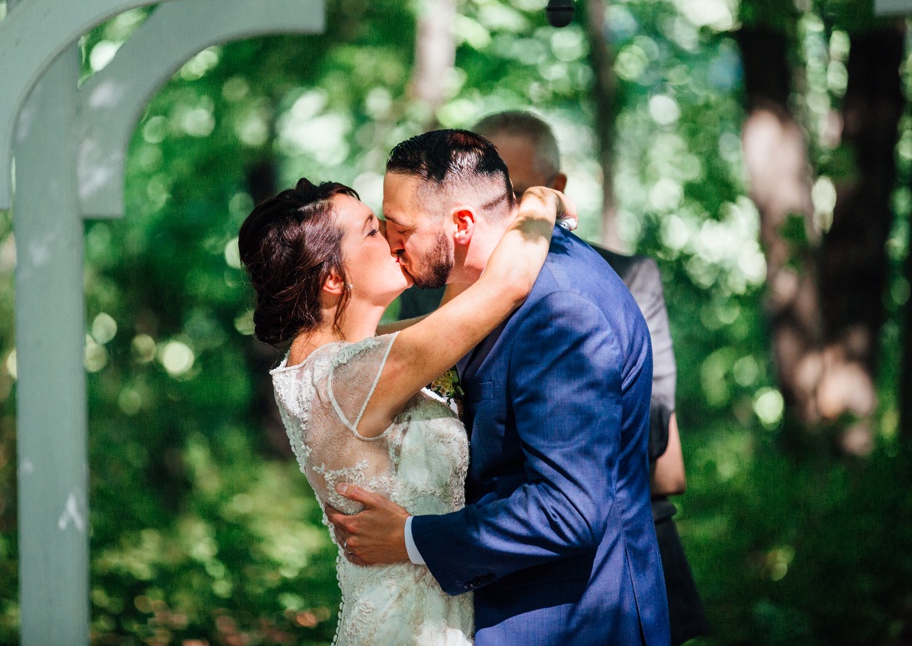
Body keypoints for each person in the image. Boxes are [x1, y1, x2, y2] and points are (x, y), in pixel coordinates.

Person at [328, 130, 669, 645]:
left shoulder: (559, 311)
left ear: (462, 224)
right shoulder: (492, 281)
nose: (393, 243)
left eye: (401, 228)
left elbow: (569, 511)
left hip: (569, 619)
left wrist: (410, 538)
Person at [238, 177, 573, 644]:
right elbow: (507, 286)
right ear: (333, 278)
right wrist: (541, 198)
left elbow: (455, 320)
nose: (395, 238)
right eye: (373, 231)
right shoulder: (352, 375)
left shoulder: (317, 365)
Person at [473, 109, 710, 644]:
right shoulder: (436, 287)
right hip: (482, 562)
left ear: (554, 188)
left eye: (514, 188)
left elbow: (651, 436)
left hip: (615, 562)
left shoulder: (623, 277)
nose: (499, 209)